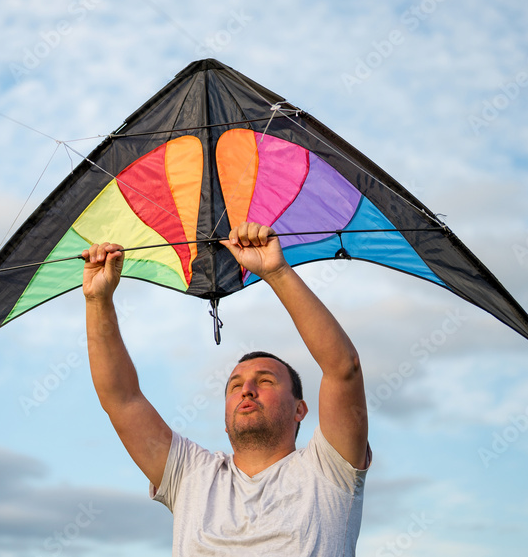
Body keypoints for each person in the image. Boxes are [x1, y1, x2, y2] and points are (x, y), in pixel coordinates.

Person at [82, 221, 371, 556]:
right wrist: (98, 300)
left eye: (265, 380)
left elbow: (343, 369)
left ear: (299, 409)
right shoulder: (191, 474)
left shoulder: (329, 468)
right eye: (234, 386)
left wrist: (276, 272)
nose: (246, 389)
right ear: (224, 420)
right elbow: (122, 400)